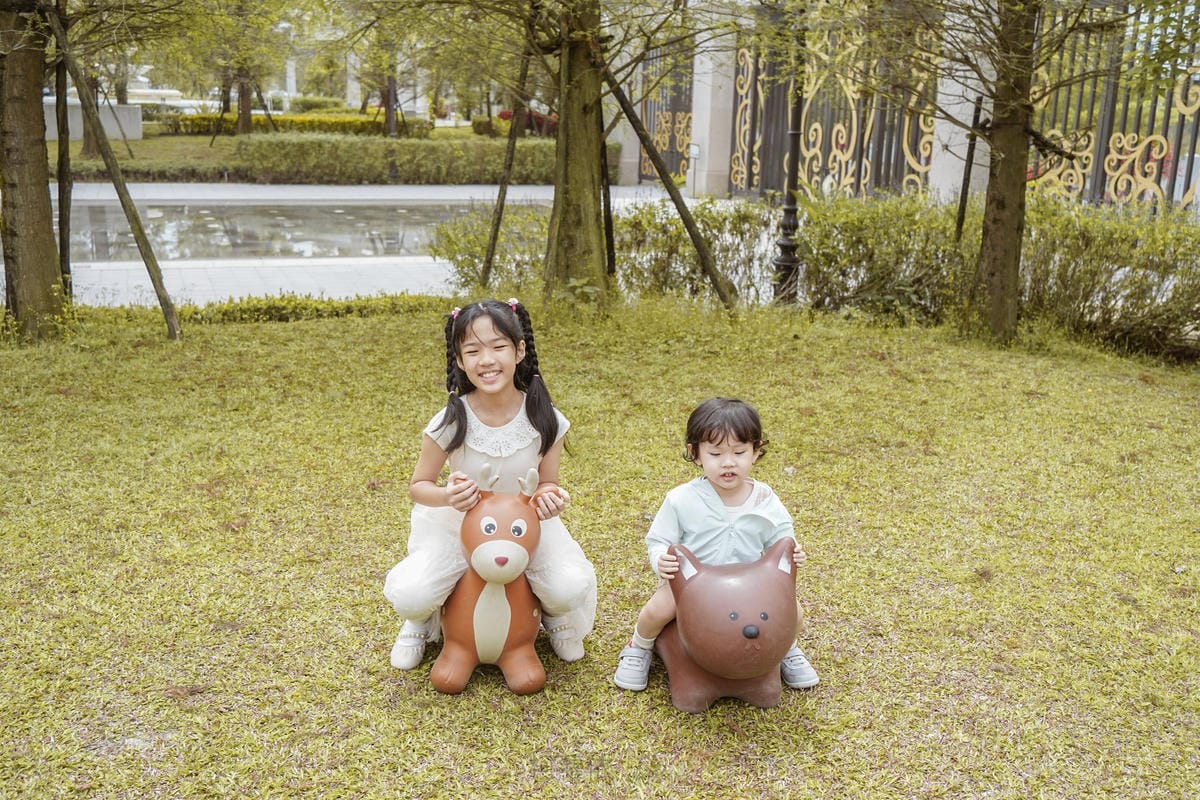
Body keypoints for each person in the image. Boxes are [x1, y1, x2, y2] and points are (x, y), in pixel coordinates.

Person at [384, 298, 596, 669]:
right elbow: (418, 485)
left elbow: (548, 483)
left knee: (568, 589)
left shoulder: (545, 417)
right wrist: (449, 496)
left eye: (498, 346)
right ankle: (420, 621)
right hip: (456, 528)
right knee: (412, 594)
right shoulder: (452, 419)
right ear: (460, 361)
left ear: (519, 350)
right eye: (473, 350)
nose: (487, 360)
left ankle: (551, 614)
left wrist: (550, 498)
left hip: (523, 530)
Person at [613, 397, 820, 691]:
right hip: (694, 584)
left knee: (794, 611)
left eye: (739, 452)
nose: (728, 462)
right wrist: (661, 558)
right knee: (660, 608)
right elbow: (659, 539)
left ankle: (787, 648)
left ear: (756, 452)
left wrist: (793, 549)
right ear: (695, 454)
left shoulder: (765, 499)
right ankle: (639, 646)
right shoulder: (681, 499)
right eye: (715, 453)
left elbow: (782, 536)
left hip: (751, 586)